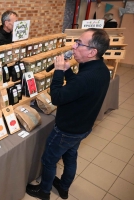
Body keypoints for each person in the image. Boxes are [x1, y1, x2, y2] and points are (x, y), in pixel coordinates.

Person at [26, 28, 111, 200]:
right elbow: (79, 90)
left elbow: (57, 97)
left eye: (79, 43)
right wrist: (68, 71)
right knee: (70, 156)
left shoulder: (86, 77)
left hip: (67, 129)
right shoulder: (100, 69)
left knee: (49, 160)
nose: (73, 46)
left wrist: (57, 71)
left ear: (92, 51)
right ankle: (64, 188)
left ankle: (44, 192)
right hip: (83, 127)